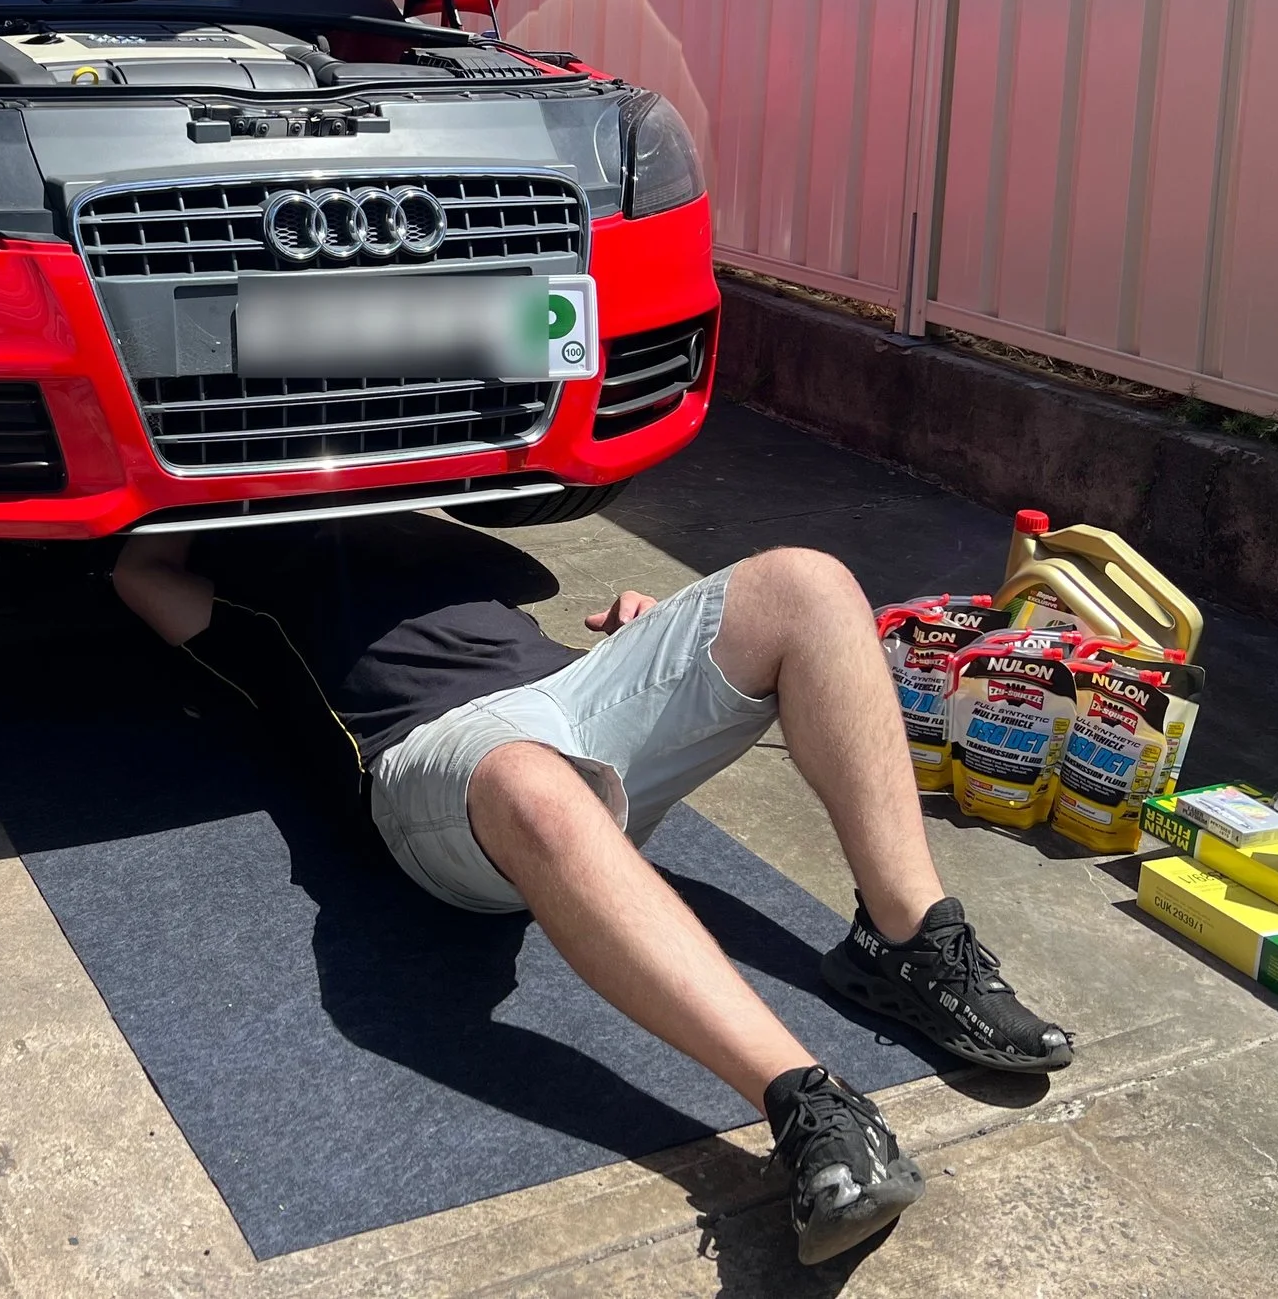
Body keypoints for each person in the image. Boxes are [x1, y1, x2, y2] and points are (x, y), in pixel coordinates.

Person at [111, 516, 1073, 1267]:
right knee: (537, 780)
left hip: (572, 695)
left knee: (806, 582)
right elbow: (136, 575)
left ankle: (909, 941)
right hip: (433, 758)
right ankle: (809, 1106)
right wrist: (196, 493)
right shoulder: (237, 580)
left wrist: (637, 641)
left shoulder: (436, 524)